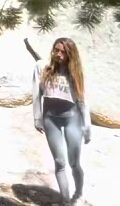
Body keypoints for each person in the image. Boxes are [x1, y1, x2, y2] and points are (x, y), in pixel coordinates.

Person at [33, 37, 91, 204]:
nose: (59, 54)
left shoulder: (75, 73)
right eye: (56, 50)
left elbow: (83, 100)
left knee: (74, 163)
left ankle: (78, 193)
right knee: (59, 162)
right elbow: (36, 94)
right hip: (51, 119)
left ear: (70, 55)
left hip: (72, 119)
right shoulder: (42, 67)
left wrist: (87, 127)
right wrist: (37, 118)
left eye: (63, 52)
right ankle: (65, 201)